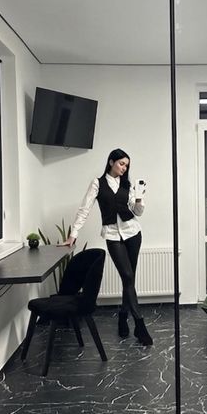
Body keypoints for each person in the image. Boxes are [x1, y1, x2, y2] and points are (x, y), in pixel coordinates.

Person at [62, 148, 153, 346]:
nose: (124, 168)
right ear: (111, 162)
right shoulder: (97, 183)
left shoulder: (127, 184)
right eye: (121, 163)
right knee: (127, 276)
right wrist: (73, 234)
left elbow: (137, 212)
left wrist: (139, 198)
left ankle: (123, 316)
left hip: (133, 233)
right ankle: (139, 324)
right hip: (112, 235)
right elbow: (84, 209)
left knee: (129, 279)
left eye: (126, 165)